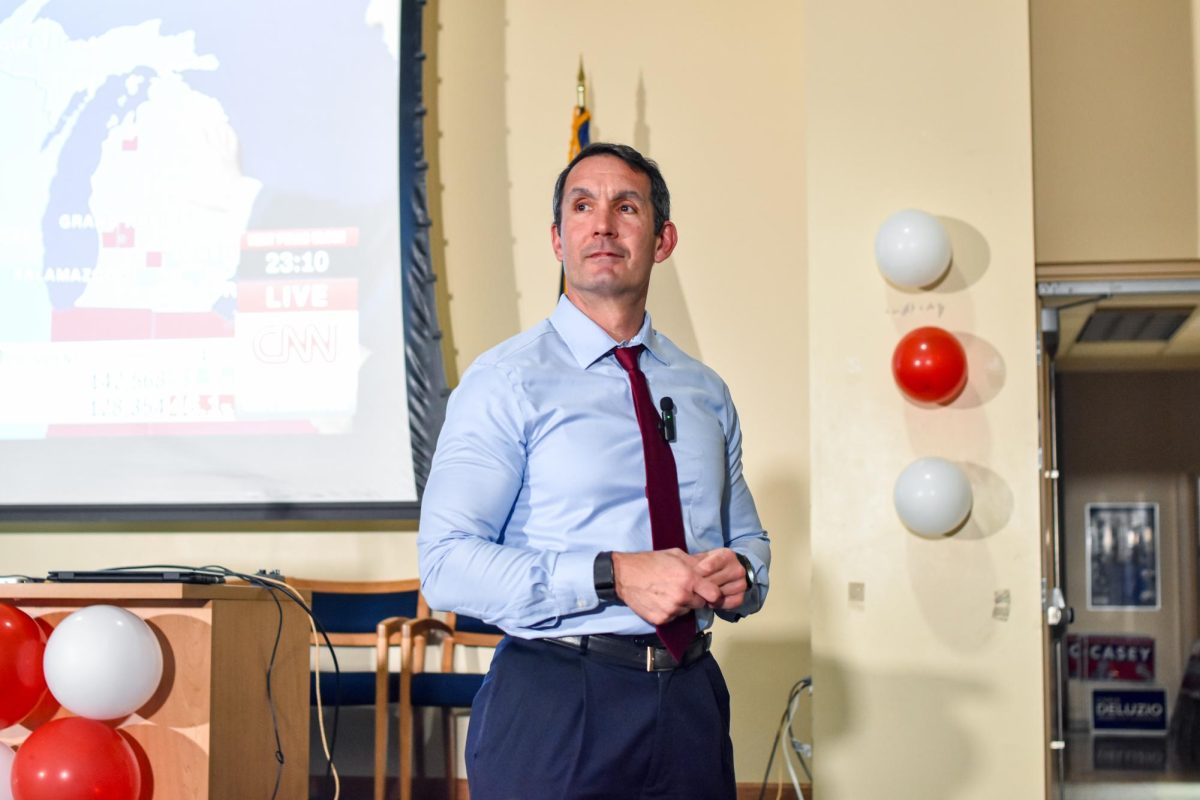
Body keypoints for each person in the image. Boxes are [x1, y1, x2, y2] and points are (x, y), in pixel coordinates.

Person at [418, 142, 771, 800]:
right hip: (558, 701)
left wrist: (743, 573)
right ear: (558, 239)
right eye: (582, 207)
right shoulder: (504, 382)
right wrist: (612, 573)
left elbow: (748, 537)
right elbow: (446, 564)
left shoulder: (703, 391)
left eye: (626, 207)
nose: (602, 224)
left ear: (662, 241)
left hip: (690, 698)